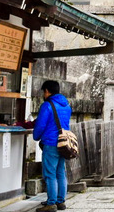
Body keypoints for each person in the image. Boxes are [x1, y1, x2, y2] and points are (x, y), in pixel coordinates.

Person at [33, 80, 72, 212]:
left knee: (50, 174)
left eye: (44, 92)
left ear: (47, 91)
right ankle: (60, 201)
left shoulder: (47, 105)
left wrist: (36, 137)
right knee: (61, 172)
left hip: (50, 143)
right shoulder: (66, 105)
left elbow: (40, 125)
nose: (43, 95)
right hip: (63, 143)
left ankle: (51, 203)